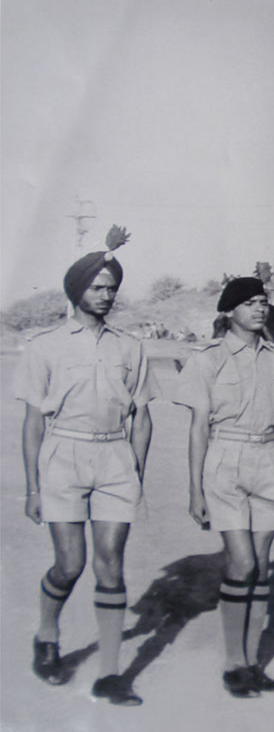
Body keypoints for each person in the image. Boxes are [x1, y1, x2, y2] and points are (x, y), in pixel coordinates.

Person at [14, 226, 154, 706]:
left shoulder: (130, 347)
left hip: (115, 457)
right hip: (64, 457)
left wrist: (134, 471)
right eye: (97, 288)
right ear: (76, 291)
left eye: (112, 288)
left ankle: (111, 674)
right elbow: (33, 423)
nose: (106, 296)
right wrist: (32, 488)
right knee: (70, 563)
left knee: (111, 563)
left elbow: (142, 417)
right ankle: (47, 636)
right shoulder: (45, 346)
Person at [175, 276, 274, 698]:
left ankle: (252, 662)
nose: (259, 309)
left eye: (263, 302)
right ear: (229, 311)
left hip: (267, 458)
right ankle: (233, 661)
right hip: (225, 460)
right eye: (249, 303)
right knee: (242, 563)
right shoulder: (206, 359)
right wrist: (194, 490)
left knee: (263, 565)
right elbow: (197, 429)